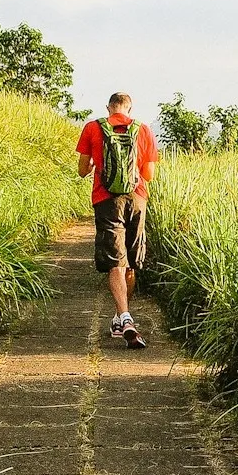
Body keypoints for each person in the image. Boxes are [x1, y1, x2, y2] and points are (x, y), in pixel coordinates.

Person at [76, 92, 159, 348]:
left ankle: (123, 318)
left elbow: (81, 170)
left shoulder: (92, 128)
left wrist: (94, 166)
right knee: (131, 261)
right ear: (130, 109)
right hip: (137, 199)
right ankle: (120, 317)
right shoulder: (143, 129)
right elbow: (149, 174)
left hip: (106, 199)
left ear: (108, 108)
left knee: (116, 261)